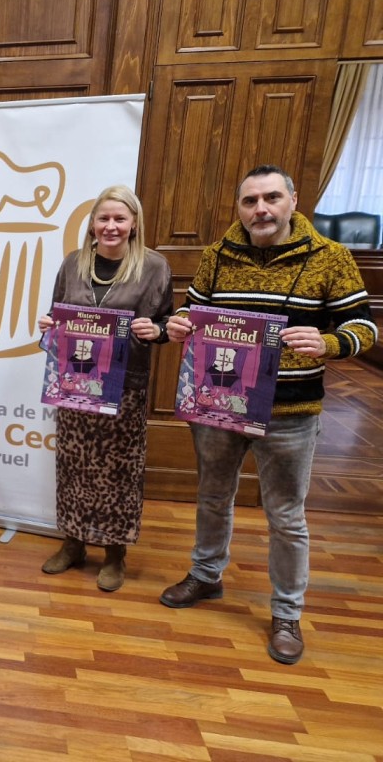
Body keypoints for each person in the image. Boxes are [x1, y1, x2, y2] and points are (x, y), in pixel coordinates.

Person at [160, 165, 377, 665]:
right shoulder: (217, 255)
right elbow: (196, 312)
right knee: (213, 497)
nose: (261, 208)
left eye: (271, 198)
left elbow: (363, 325)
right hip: (219, 404)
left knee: (286, 517)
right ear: (239, 208)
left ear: (292, 201)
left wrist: (329, 341)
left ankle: (286, 611)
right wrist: (180, 325)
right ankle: (206, 576)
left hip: (290, 411)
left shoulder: (330, 258)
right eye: (250, 200)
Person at [37, 185, 173, 592]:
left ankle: (116, 554)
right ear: (93, 223)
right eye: (104, 218)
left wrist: (157, 331)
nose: (111, 226)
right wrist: (48, 324)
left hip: (124, 385)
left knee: (119, 470)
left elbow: (166, 325)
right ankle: (74, 542)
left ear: (134, 224)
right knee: (73, 465)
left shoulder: (154, 266)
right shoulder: (74, 263)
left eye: (120, 219)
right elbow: (57, 312)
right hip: (75, 381)